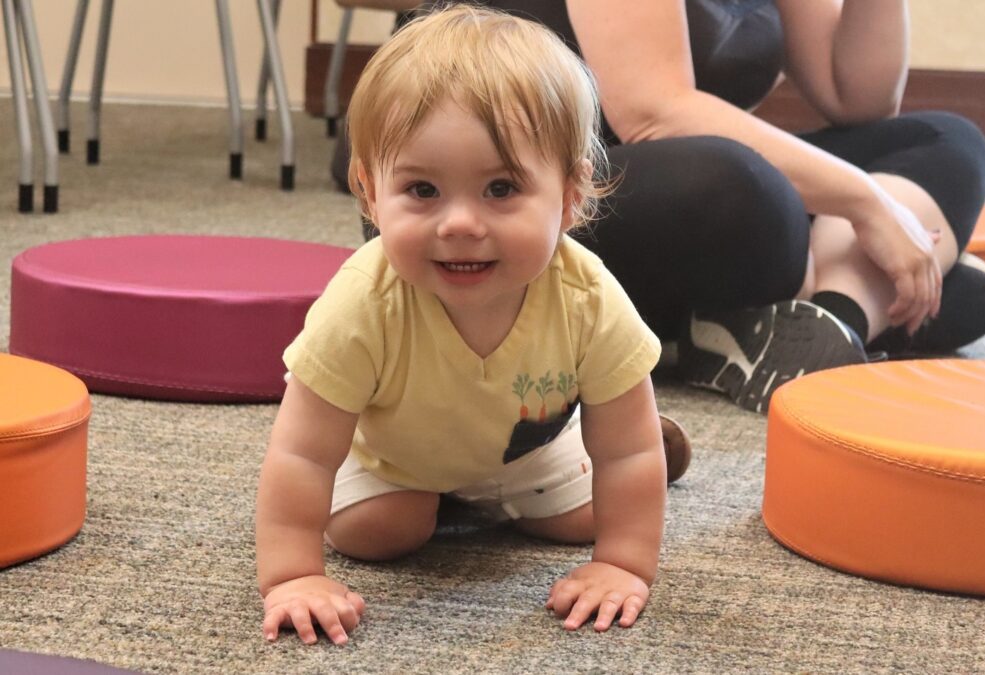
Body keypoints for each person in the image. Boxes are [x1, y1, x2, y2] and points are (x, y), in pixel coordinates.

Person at [257, 5, 691, 645]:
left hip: (526, 449)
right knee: (377, 534)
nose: (460, 223)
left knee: (602, 506)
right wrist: (291, 576)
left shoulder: (586, 295)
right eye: (423, 191)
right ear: (371, 194)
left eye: (500, 189)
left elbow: (625, 457)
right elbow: (300, 452)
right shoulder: (364, 299)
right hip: (392, 461)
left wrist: (621, 563)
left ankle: (625, 424)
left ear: (571, 197)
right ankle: (470, 495)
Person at [332, 0, 985, 413]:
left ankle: (831, 319)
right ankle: (832, 290)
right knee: (752, 186)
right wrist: (866, 203)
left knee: (948, 141)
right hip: (488, 212)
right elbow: (654, 110)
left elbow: (856, 96)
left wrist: (870, 203)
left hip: (657, 202)